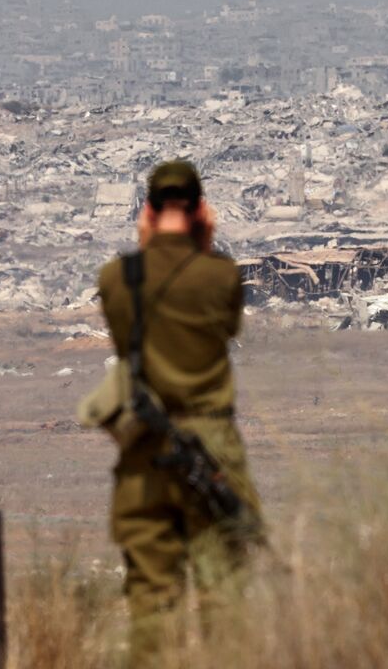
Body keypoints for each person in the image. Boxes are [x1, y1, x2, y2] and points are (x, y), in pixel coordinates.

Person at [97, 160, 265, 666]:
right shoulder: (221, 276)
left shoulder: (116, 278)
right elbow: (227, 327)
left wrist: (147, 247)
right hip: (211, 448)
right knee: (224, 595)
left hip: (146, 451)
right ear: (200, 212)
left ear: (146, 211)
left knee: (150, 604)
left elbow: (125, 335)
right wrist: (204, 245)